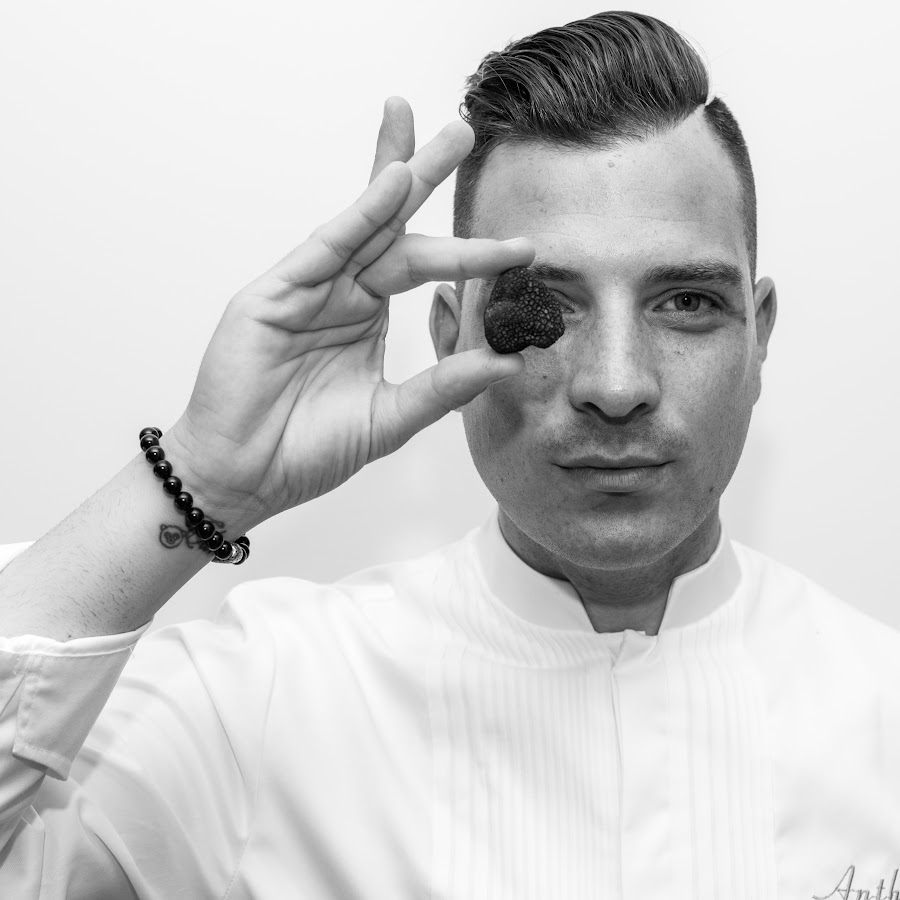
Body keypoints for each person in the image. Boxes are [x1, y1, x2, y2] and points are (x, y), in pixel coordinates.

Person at [1, 9, 898, 899]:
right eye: (544, 309)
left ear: (759, 336)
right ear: (446, 335)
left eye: (686, 304)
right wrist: (200, 475)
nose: (617, 384)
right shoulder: (258, 701)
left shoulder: (881, 714)